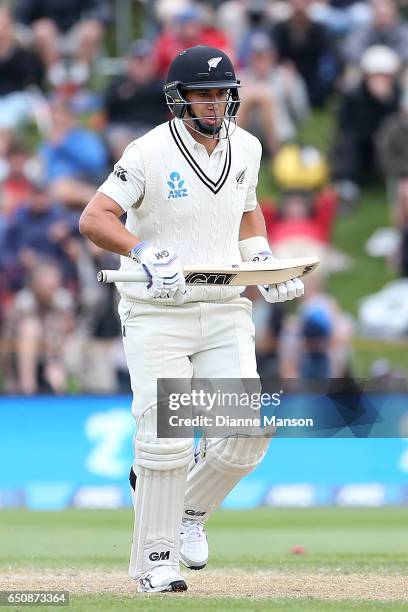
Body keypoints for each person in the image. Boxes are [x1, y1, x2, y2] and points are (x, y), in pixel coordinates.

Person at [79, 45, 305, 594]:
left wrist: (260, 260)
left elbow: (247, 209)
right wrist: (142, 252)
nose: (213, 103)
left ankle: (186, 511)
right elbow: (95, 217)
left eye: (221, 93)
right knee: (166, 439)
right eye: (202, 93)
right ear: (178, 98)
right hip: (158, 312)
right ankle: (155, 563)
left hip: (225, 308)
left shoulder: (247, 147)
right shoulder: (148, 151)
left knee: (248, 431)